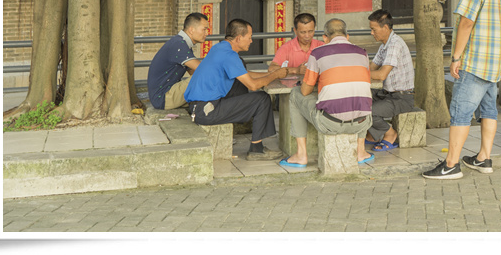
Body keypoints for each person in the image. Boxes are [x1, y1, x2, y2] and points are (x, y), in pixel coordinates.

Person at [423, 0, 501, 180]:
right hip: (496, 61)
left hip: (476, 60)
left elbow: (466, 22)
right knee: (489, 109)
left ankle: (451, 165)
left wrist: (456, 57)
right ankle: (484, 157)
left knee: (461, 111)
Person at [184, 19, 288, 160]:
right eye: (249, 37)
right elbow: (252, 85)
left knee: (240, 82)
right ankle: (256, 149)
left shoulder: (220, 48)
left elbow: (245, 75)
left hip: (200, 107)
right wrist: (275, 75)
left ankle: (249, 124)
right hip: (207, 110)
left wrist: (272, 75)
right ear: (239, 38)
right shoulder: (229, 55)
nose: (251, 41)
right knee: (262, 99)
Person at [279, 18, 374, 168]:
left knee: (295, 94)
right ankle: (361, 151)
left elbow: (305, 90)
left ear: (325, 38)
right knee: (360, 94)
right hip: (362, 124)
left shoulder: (318, 53)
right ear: (347, 36)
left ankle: (301, 154)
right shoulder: (362, 53)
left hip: (330, 124)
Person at [364, 9, 415, 151]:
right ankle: (373, 135)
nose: (371, 33)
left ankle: (390, 134)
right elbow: (371, 68)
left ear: (385, 28)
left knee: (369, 111)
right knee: (359, 100)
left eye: (373, 29)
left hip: (402, 98)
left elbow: (380, 75)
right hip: (387, 94)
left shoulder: (395, 44)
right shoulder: (384, 46)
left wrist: (357, 74)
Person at [147, 12, 209, 110]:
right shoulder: (178, 45)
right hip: (163, 98)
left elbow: (194, 71)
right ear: (191, 30)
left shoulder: (182, 44)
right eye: (204, 29)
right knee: (206, 77)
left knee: (204, 78)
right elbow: (204, 70)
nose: (207, 33)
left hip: (166, 96)